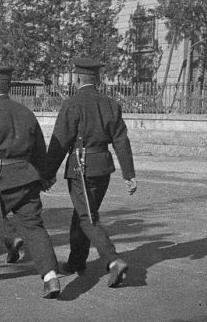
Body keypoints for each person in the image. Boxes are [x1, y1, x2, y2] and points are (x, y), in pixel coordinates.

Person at [0, 64, 65, 295]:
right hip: (27, 179)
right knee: (33, 227)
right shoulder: (26, 112)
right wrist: (44, 177)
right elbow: (40, 149)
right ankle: (51, 277)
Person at [46, 57, 138, 286]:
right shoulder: (111, 103)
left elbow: (59, 142)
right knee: (83, 213)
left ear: (76, 78)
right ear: (96, 79)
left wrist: (47, 173)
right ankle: (77, 261)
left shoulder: (72, 103)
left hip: (81, 168)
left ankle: (113, 260)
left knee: (87, 216)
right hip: (102, 168)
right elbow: (121, 141)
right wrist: (129, 174)